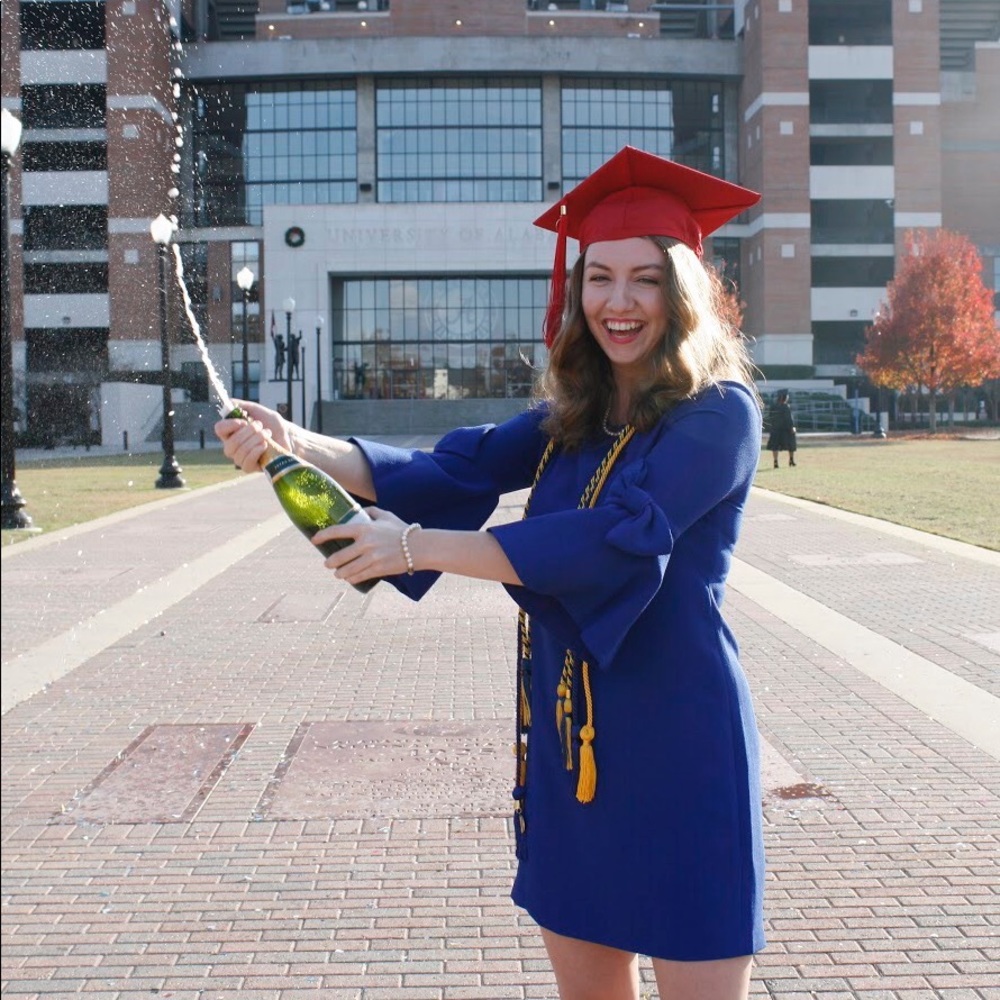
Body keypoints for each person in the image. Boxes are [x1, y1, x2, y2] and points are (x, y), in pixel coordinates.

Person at [216, 146, 766, 999]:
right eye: (600, 278)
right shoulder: (573, 415)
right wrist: (292, 440)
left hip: (678, 741)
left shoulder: (718, 414)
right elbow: (456, 470)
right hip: (571, 741)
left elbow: (614, 540)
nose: (618, 303)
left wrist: (418, 547)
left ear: (683, 291)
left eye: (645, 280)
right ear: (577, 292)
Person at [765, 388, 797, 467]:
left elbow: (770, 417)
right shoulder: (786, 407)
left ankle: (775, 461)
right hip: (786, 430)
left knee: (775, 446)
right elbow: (788, 419)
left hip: (775, 429)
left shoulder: (773, 406)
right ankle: (791, 460)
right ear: (784, 397)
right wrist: (792, 427)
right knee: (791, 444)